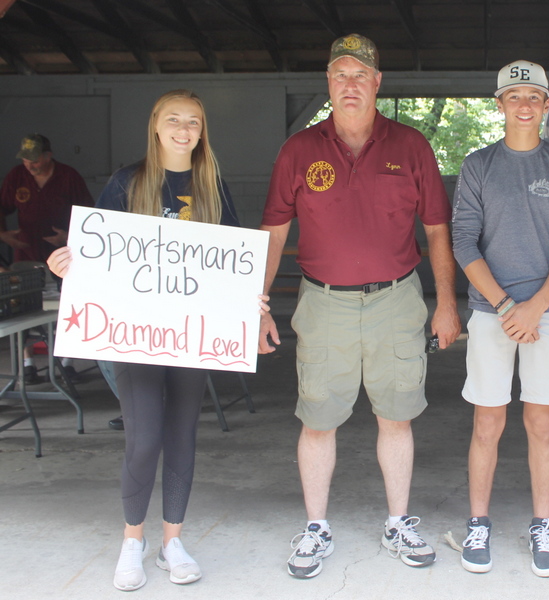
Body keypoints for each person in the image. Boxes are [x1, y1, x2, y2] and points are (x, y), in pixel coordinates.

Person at [258, 33, 460, 579]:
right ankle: (316, 528)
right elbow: (273, 233)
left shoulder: (411, 146)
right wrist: (256, 305)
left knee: (396, 416)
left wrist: (446, 304)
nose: (350, 85)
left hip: (397, 300)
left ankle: (398, 521)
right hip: (324, 304)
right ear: (329, 83)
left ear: (377, 82)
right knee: (318, 418)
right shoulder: (298, 150)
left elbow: (438, 232)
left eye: (360, 75)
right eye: (339, 75)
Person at [47, 89, 262, 591]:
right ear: (156, 126)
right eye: (174, 120)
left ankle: (172, 542)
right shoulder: (129, 181)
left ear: (202, 129)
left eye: (193, 121)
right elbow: (95, 252)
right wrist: (66, 265)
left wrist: (249, 300)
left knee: (182, 436)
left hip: (191, 335)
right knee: (144, 440)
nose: (184, 129)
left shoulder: (212, 185)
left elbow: (233, 261)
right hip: (136, 335)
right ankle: (132, 541)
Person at [451, 60, 549, 577]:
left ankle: (542, 524)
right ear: (499, 104)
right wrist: (508, 307)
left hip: (547, 314)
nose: (524, 104)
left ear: (547, 105)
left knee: (540, 422)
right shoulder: (478, 164)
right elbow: (464, 241)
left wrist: (536, 307)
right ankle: (479, 522)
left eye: (534, 96)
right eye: (514, 96)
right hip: (491, 311)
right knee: (487, 421)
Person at [1, 134, 93, 382]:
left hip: (65, 254)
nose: (29, 165)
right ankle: (28, 363)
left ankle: (67, 363)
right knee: (20, 309)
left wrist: (69, 236)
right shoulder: (17, 176)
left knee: (70, 306)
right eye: (25, 160)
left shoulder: (68, 176)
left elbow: (88, 213)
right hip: (26, 253)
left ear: (47, 156)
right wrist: (4, 235)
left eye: (34, 160)